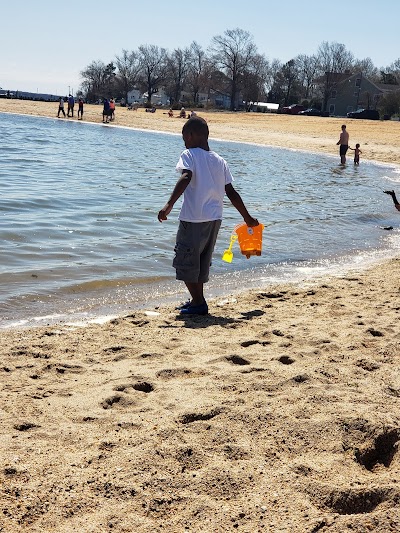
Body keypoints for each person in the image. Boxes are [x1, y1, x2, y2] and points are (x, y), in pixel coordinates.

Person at [157, 116, 259, 315]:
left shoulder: (189, 154)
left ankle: (198, 302)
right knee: (202, 262)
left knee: (186, 262)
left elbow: (186, 177)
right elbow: (231, 192)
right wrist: (247, 217)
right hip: (214, 219)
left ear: (193, 135)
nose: (184, 142)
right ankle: (197, 301)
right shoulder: (220, 160)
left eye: (184, 137)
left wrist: (169, 204)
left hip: (193, 217)